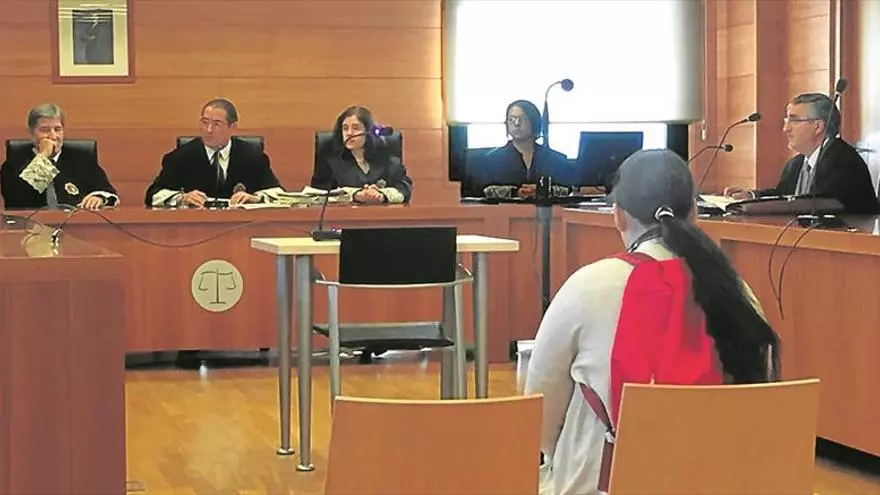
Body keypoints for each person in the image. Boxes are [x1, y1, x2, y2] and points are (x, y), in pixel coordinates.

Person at [526, 149, 780, 495]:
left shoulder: (588, 284)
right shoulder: (735, 289)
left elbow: (540, 409)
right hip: (719, 481)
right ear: (694, 213)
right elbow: (761, 388)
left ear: (618, 216)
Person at [724, 93, 879, 214]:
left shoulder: (843, 161)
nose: (786, 128)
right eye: (787, 121)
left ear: (818, 126)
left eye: (794, 121)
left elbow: (823, 204)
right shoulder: (796, 163)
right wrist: (751, 197)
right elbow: (783, 196)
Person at [145, 98, 283, 208]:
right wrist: (182, 198)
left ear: (232, 127)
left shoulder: (253, 156)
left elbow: (279, 194)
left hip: (242, 225)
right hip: (195, 226)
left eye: (216, 124)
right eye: (205, 123)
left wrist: (256, 198)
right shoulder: (181, 157)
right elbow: (153, 195)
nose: (209, 130)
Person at [0, 103, 118, 210]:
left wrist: (98, 198)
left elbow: (107, 192)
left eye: (57, 129)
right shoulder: (14, 162)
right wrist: (43, 157)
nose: (53, 136)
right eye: (45, 130)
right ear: (31, 133)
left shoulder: (81, 158)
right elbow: (16, 199)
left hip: (75, 223)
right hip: (32, 224)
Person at [461, 99, 573, 198]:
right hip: (504, 213)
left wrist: (542, 191)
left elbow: (568, 190)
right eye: (511, 119)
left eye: (522, 119)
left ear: (534, 122)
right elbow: (482, 191)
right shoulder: (491, 160)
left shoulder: (556, 159)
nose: (516, 123)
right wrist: (515, 193)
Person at [310, 105, 412, 204]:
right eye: (345, 128)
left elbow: (404, 189)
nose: (349, 133)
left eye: (356, 128)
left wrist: (381, 195)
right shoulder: (331, 161)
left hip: (383, 214)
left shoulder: (388, 160)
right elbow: (318, 194)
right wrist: (355, 194)